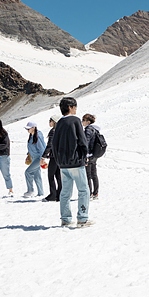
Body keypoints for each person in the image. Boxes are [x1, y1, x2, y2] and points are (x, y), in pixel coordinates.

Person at [51, 97, 92, 227]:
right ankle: (82, 218)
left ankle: (66, 219)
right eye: (75, 107)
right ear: (70, 107)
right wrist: (84, 156)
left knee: (65, 192)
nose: (75, 109)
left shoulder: (59, 124)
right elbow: (82, 140)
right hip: (76, 162)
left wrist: (58, 161)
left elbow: (54, 144)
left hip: (63, 164)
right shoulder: (75, 121)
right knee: (83, 190)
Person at [41, 117, 62, 201]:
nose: (49, 122)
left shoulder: (53, 131)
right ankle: (59, 194)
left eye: (50, 121)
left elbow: (50, 145)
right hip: (60, 157)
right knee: (58, 176)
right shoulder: (61, 131)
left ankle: (53, 195)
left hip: (54, 157)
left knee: (51, 175)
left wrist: (43, 156)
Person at [24, 121, 46, 198]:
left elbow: (42, 149)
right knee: (37, 175)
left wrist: (42, 159)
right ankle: (41, 193)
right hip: (33, 158)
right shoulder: (31, 136)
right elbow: (31, 147)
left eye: (28, 128)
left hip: (38, 158)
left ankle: (30, 190)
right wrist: (28, 155)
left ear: (34, 128)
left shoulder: (38, 136)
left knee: (28, 172)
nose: (27, 130)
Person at [81, 114, 101, 200]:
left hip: (89, 155)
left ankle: (89, 194)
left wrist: (85, 155)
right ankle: (95, 193)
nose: (82, 121)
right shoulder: (96, 129)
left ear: (88, 122)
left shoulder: (88, 130)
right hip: (95, 155)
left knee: (88, 175)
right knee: (94, 174)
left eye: (83, 120)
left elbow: (86, 143)